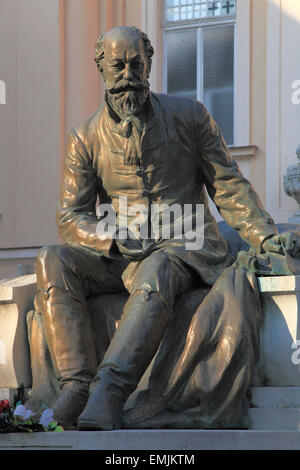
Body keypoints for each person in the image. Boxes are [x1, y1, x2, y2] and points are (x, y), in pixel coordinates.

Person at [34, 25, 300, 430]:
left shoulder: (190, 116)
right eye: (118, 65)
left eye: (136, 64)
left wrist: (263, 236)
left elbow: (228, 187)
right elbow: (71, 216)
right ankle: (76, 387)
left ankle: (110, 391)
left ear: (150, 64)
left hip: (187, 245)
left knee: (159, 267)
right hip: (122, 252)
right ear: (101, 68)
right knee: (51, 259)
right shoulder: (84, 137)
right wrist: (112, 238)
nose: (128, 74)